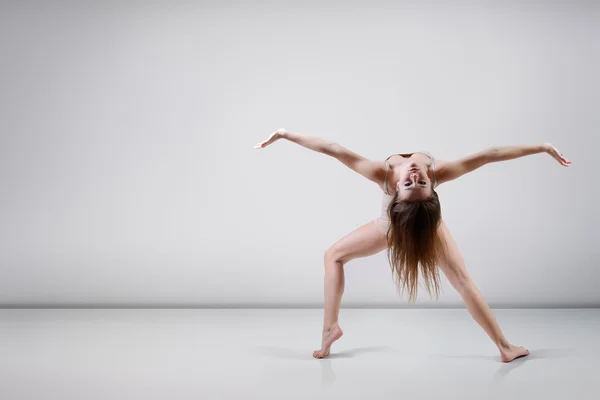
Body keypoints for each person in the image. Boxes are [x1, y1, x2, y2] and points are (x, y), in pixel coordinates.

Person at [254, 128, 571, 363]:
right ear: (430, 189)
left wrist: (285, 133)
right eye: (418, 182)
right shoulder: (434, 172)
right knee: (333, 256)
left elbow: (333, 149)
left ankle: (505, 347)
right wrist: (541, 146)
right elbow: (490, 154)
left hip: (425, 225)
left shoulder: (386, 173)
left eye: (414, 182)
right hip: (392, 225)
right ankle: (329, 329)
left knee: (460, 280)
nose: (417, 175)